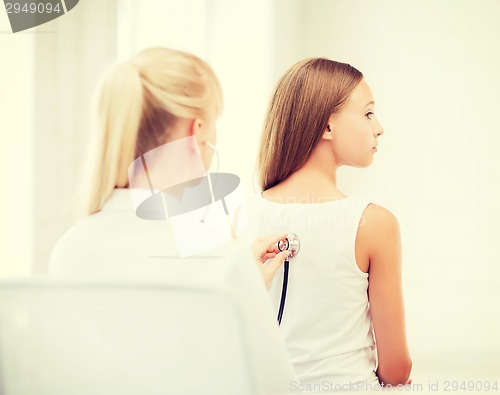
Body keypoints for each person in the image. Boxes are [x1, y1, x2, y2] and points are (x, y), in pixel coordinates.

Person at [242, 58, 412, 388]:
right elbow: (396, 370)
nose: (379, 127)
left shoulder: (239, 216)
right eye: (367, 113)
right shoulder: (374, 224)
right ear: (327, 126)